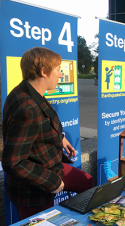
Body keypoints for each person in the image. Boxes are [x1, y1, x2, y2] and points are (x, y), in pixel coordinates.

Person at [2, 47, 93, 220]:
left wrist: (61, 138)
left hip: (51, 167)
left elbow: (42, 123)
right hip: (34, 187)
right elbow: (13, 162)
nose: (61, 74)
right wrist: (52, 182)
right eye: (58, 69)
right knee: (45, 222)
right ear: (43, 71)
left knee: (87, 182)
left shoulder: (29, 90)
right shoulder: (26, 107)